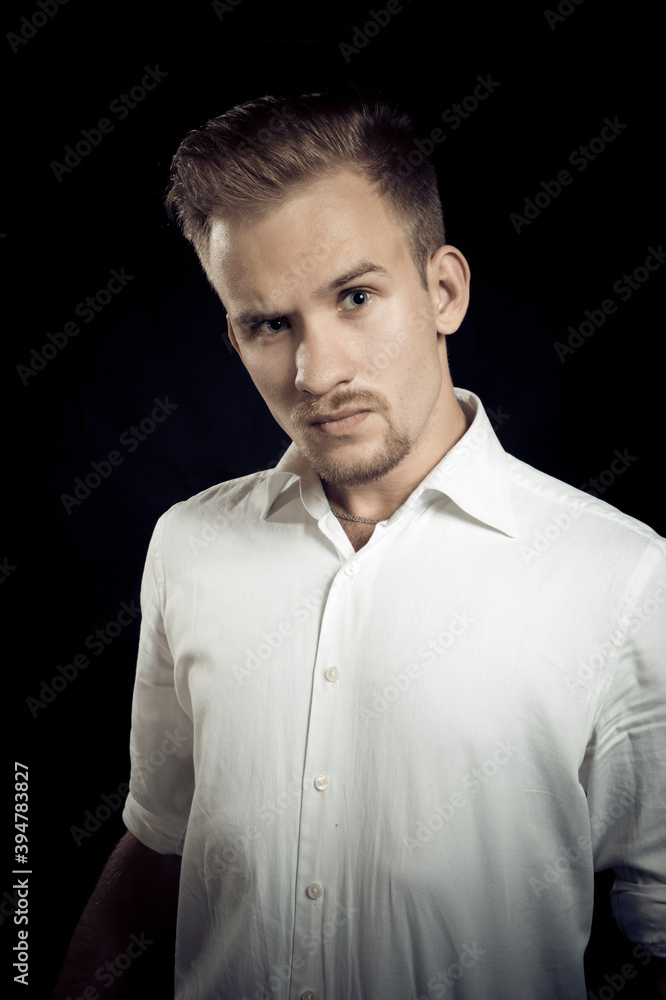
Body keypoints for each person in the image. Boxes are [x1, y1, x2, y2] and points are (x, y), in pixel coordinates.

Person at [52, 91, 666, 1000]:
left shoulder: (617, 577)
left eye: (354, 296)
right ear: (234, 335)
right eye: (270, 324)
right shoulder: (187, 546)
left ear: (443, 290)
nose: (316, 372)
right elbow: (162, 841)